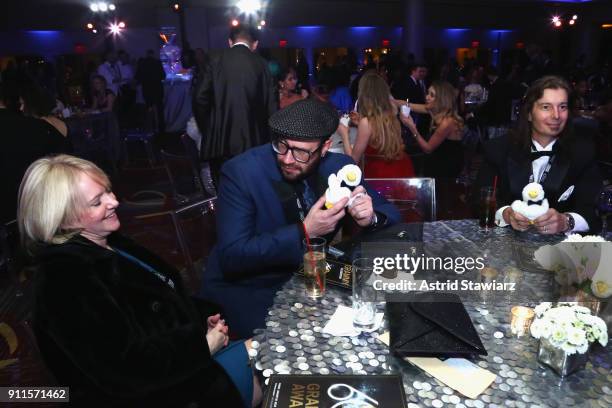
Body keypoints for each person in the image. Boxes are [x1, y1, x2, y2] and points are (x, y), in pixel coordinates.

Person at [18, 155, 261, 407]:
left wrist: (200, 317)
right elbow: (122, 371)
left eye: (108, 191)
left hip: (183, 373)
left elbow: (156, 303)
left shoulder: (110, 244)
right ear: (63, 219)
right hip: (161, 395)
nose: (114, 201)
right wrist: (202, 346)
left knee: (278, 350)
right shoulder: (65, 279)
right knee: (280, 357)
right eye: (96, 202)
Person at [198, 98, 400, 338]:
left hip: (314, 279)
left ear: (325, 147)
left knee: (387, 306)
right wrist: (304, 231)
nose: (287, 158)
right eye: (281, 145)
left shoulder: (339, 167)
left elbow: (391, 214)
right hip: (253, 288)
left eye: (301, 152)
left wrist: (370, 217)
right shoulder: (241, 173)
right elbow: (233, 256)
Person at [474, 75, 603, 234]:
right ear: (529, 113)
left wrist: (566, 221)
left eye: (562, 107)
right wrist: (506, 214)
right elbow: (478, 200)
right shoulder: (498, 148)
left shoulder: (583, 153)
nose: (556, 115)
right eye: (546, 107)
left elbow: (594, 211)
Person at [193, 24, 277, 186]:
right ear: (255, 44)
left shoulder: (214, 59)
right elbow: (272, 109)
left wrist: (209, 128)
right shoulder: (263, 65)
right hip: (256, 144)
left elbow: (199, 98)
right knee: (252, 191)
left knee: (225, 192)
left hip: (220, 143)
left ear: (230, 42)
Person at [338, 71, 415, 178]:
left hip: (380, 174)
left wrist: (344, 134)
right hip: (402, 167)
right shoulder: (392, 114)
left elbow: (353, 162)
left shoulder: (367, 122)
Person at [400, 80, 464, 179]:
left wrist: (412, 127)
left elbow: (428, 149)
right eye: (428, 93)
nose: (427, 97)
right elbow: (409, 105)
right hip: (437, 161)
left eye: (432, 95)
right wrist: (390, 101)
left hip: (446, 167)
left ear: (442, 99)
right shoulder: (434, 111)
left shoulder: (447, 122)